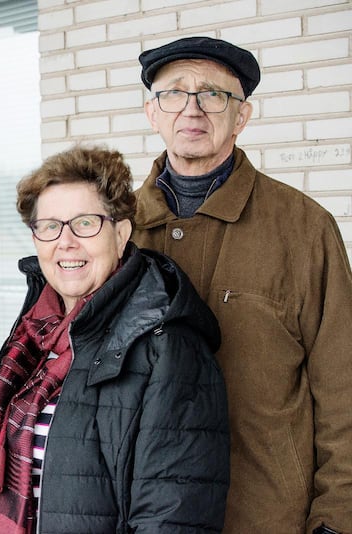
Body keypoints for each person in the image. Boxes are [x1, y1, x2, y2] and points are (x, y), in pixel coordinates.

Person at [134, 36, 352, 534]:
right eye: (174, 93)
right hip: (142, 514)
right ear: (152, 112)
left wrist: (337, 517)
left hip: (265, 514)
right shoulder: (118, 229)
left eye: (214, 94)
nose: (193, 108)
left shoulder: (303, 227)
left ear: (243, 115)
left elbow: (343, 384)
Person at [0, 146, 230, 533]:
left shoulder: (167, 345)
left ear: (121, 232)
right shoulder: (32, 337)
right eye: (50, 225)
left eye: (85, 223)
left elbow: (171, 520)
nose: (66, 241)